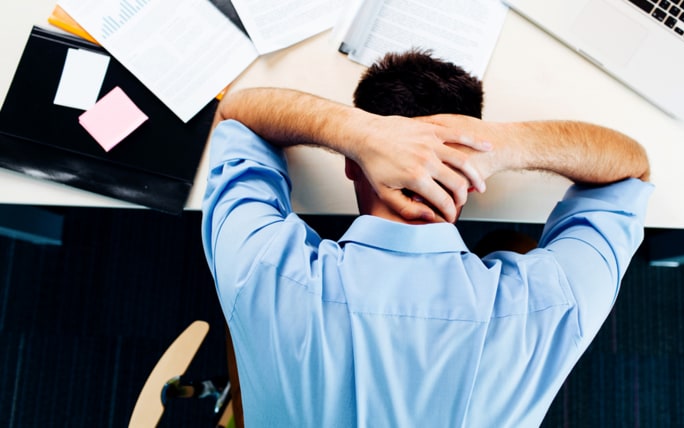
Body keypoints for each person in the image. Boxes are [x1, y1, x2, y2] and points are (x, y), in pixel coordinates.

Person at [201, 51, 653, 427]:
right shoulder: (549, 304)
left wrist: (354, 133)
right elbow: (629, 169)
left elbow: (237, 115)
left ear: (351, 165)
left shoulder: (263, 269)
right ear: (473, 179)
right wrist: (504, 144)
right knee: (511, 241)